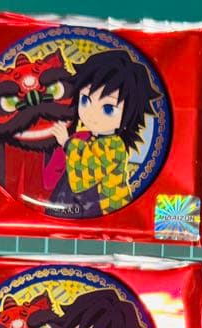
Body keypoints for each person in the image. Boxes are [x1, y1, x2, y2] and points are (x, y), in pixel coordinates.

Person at [48, 50, 161, 217]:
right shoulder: (93, 138)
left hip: (104, 210)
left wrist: (67, 143)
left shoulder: (114, 146)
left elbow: (83, 178)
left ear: (129, 114)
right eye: (85, 100)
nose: (91, 114)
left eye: (108, 109)